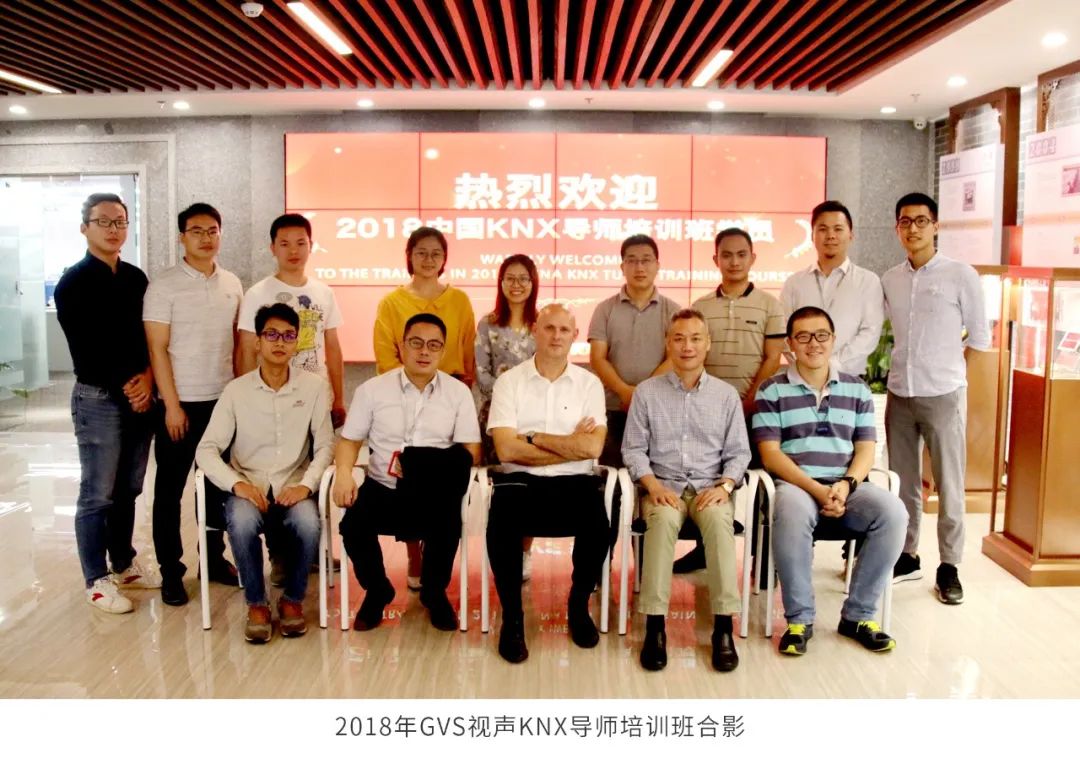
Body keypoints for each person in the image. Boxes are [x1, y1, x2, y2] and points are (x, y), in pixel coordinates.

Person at [753, 306, 906, 656]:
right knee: (791, 510)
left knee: (893, 513)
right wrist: (818, 490)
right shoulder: (771, 391)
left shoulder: (857, 389)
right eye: (803, 336)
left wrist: (846, 485)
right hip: (796, 486)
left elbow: (866, 448)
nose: (814, 343)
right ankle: (799, 621)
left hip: (845, 485)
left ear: (833, 340)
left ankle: (858, 616)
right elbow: (771, 455)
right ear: (790, 344)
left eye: (821, 335)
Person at [333, 313, 481, 632]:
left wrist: (419, 463)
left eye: (434, 345)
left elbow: (471, 451)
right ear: (401, 346)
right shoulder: (372, 390)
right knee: (353, 525)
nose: (424, 351)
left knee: (447, 523)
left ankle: (433, 592)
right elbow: (349, 440)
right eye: (416, 342)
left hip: (435, 489)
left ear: (443, 351)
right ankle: (378, 589)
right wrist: (343, 472)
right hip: (383, 486)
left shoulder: (457, 393)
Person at [622, 309, 750, 672]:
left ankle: (723, 627)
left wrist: (726, 485)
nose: (687, 346)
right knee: (662, 522)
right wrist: (652, 485)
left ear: (708, 344)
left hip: (711, 488)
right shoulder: (647, 393)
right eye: (679, 339)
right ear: (668, 344)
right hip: (663, 487)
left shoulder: (726, 396)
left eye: (695, 338)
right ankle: (655, 627)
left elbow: (739, 453)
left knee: (720, 525)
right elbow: (633, 449)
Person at [196, 303, 333, 643]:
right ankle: (256, 604)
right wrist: (236, 484)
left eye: (288, 336)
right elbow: (206, 449)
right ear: (257, 341)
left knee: (309, 523)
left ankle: (292, 600)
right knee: (241, 522)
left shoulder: (314, 388)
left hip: (293, 485)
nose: (280, 342)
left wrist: (306, 485)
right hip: (249, 486)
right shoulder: (236, 391)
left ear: (297, 343)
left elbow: (326, 446)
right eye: (271, 334)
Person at [883, 192, 990, 604]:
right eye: (905, 222)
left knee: (949, 484)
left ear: (936, 226)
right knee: (903, 482)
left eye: (921, 221)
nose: (913, 228)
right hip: (900, 392)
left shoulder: (961, 275)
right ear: (897, 228)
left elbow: (979, 338)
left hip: (943, 394)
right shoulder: (890, 279)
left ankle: (950, 566)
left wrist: (954, 378)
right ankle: (907, 555)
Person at [55, 193, 159, 614]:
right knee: (97, 492)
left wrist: (148, 379)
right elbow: (88, 348)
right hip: (99, 397)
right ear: (85, 228)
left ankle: (123, 563)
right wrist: (131, 387)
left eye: (120, 222)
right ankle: (96, 580)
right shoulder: (73, 283)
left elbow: (150, 336)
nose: (113, 230)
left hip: (140, 394)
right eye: (104, 222)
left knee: (129, 487)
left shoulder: (135, 278)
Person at [487, 304, 608, 663]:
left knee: (598, 527)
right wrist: (569, 445)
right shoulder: (509, 382)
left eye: (564, 330)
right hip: (519, 483)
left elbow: (593, 448)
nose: (556, 336)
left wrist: (535, 437)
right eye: (549, 328)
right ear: (535, 331)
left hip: (575, 482)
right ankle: (512, 617)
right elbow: (507, 449)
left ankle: (578, 605)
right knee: (501, 526)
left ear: (575, 336)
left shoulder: (589, 384)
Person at [144, 203, 243, 606]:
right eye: (197, 231)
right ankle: (171, 571)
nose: (206, 238)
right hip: (179, 404)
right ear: (181, 237)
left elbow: (237, 344)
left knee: (216, 487)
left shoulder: (232, 283)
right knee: (170, 491)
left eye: (213, 230)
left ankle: (213, 560)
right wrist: (171, 405)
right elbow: (157, 348)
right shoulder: (164, 285)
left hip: (221, 402)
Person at [673, 226, 786, 574]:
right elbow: (695, 357)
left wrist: (749, 400)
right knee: (709, 480)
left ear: (752, 258)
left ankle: (763, 561)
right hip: (708, 410)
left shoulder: (770, 305)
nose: (734, 261)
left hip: (757, 409)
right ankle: (704, 550)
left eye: (741, 255)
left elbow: (773, 357)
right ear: (715, 259)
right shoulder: (701, 307)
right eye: (726, 255)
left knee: (761, 485)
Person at [373, 226, 477, 590]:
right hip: (403, 398)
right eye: (421, 252)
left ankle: (436, 558)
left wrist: (455, 391)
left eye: (436, 253)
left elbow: (467, 351)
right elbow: (385, 356)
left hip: (447, 400)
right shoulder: (391, 303)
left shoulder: (459, 300)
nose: (429, 260)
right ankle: (413, 552)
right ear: (409, 257)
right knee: (407, 474)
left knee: (442, 480)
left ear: (444, 259)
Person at [237, 213, 346, 427]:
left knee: (318, 447)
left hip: (316, 393)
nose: (294, 251)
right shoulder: (257, 294)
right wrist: (249, 397)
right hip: (272, 395)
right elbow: (246, 351)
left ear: (311, 246)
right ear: (273, 248)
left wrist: (339, 399)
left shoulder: (324, 292)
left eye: (300, 243)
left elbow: (333, 348)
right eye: (285, 244)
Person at [588, 234, 680, 467]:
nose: (640, 267)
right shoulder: (604, 309)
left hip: (659, 408)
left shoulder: (674, 311)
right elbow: (597, 358)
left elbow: (675, 358)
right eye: (632, 260)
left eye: (646, 260)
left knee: (657, 474)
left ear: (657, 265)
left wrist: (642, 394)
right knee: (613, 474)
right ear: (622, 267)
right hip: (613, 408)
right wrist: (625, 392)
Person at [474, 255, 538, 577]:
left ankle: (525, 551)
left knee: (530, 485)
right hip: (496, 417)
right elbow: (481, 372)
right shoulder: (488, 323)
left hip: (534, 418)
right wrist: (507, 400)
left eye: (523, 278)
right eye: (510, 278)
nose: (516, 284)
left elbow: (548, 371)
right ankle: (500, 549)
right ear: (501, 283)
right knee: (500, 486)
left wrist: (525, 402)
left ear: (533, 283)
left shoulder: (541, 324)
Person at [780, 201, 884, 376]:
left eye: (838, 229)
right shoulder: (794, 283)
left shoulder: (868, 281)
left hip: (848, 379)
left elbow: (870, 333)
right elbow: (783, 331)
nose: (830, 235)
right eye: (823, 229)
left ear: (851, 235)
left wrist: (833, 365)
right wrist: (807, 365)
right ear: (812, 236)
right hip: (802, 377)